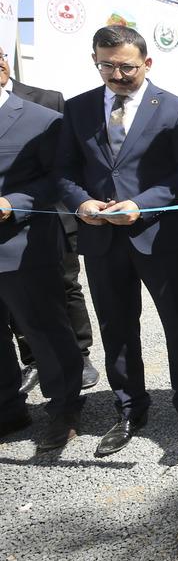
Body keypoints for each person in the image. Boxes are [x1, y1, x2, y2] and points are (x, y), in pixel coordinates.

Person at [57, 25, 178, 457]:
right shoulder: (78, 109)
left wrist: (142, 205)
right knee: (116, 327)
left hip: (159, 237)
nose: (117, 75)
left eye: (126, 66)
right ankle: (129, 409)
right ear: (95, 61)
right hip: (101, 237)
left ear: (147, 61)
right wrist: (83, 203)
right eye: (107, 65)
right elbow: (64, 171)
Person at [1, 47, 98, 393]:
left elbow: (61, 169)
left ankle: (75, 368)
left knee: (59, 299)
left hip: (40, 229)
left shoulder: (44, 107)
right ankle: (22, 383)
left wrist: (13, 203)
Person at [0, 89, 84, 452]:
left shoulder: (41, 119)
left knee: (44, 329)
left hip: (23, 245)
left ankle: (65, 408)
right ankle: (8, 409)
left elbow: (59, 179)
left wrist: (12, 203)